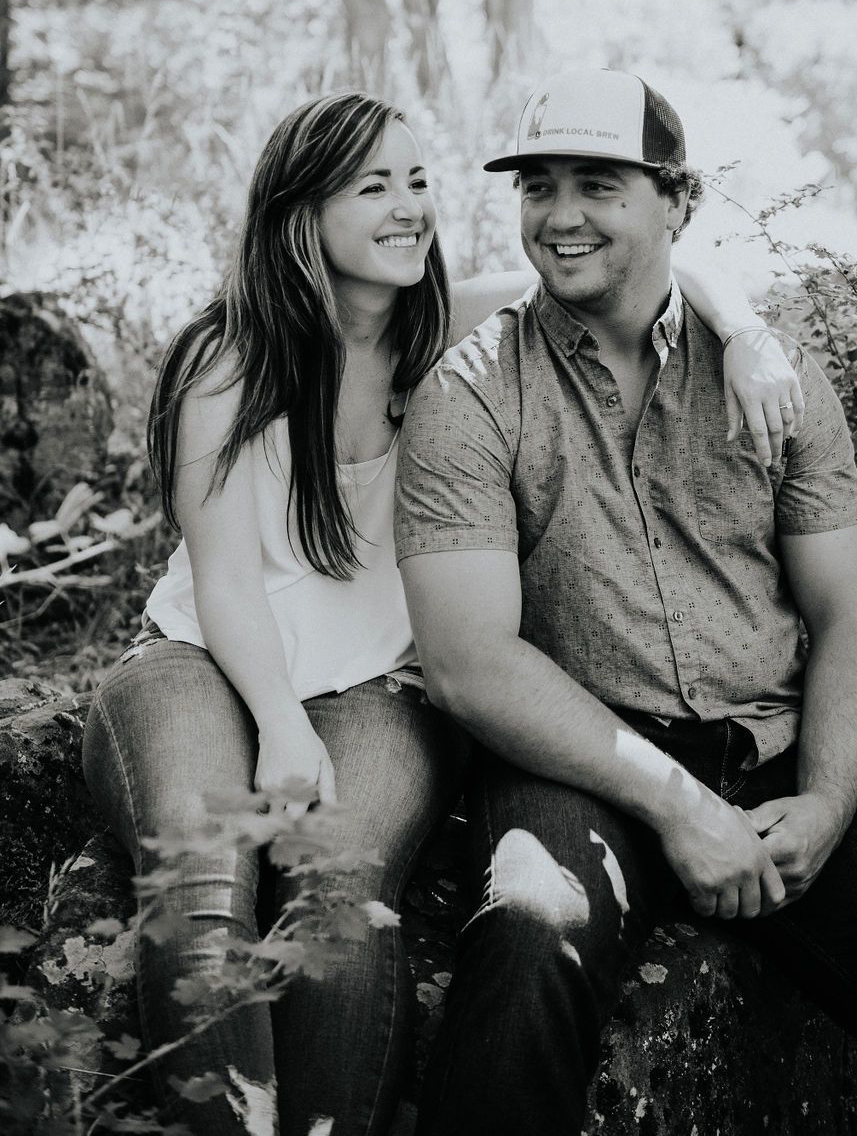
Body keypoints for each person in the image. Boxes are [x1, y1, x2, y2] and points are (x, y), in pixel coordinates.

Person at [82, 88, 801, 1136]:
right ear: (300, 211)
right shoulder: (226, 355)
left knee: (340, 885)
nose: (410, 207)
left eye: (418, 181)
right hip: (203, 658)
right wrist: (279, 724)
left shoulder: (445, 332)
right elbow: (226, 579)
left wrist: (744, 332)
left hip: (380, 685)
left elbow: (652, 270)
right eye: (373, 185)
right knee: (201, 876)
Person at [395, 67, 857, 1136]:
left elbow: (849, 614)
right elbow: (468, 663)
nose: (559, 215)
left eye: (598, 184)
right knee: (527, 946)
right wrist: (684, 810)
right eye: (538, 187)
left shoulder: (776, 380)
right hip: (576, 765)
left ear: (678, 201)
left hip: (770, 757)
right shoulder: (470, 396)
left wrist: (825, 807)